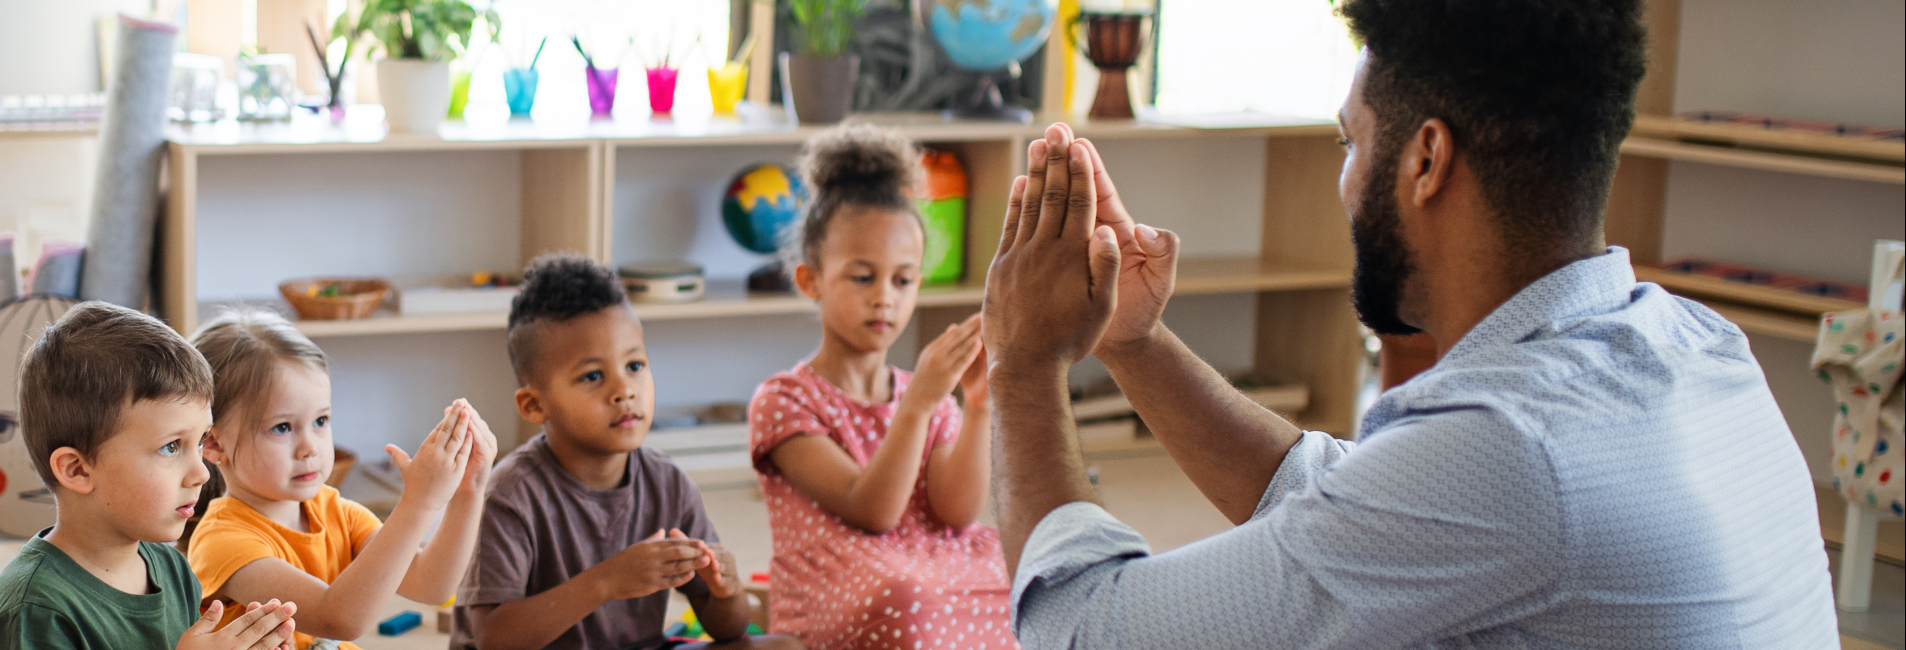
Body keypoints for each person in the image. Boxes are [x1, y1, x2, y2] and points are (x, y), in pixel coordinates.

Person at [982, 0, 1839, 647]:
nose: (1347, 179)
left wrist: (1022, 362)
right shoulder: (1698, 346)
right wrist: (1133, 342)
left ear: (1427, 160)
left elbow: (1081, 628)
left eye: (1351, 143)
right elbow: (1357, 506)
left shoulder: (1518, 454)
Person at [744, 124, 1019, 649]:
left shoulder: (925, 394)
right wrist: (917, 406)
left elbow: (957, 513)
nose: (884, 299)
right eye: (862, 277)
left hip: (925, 561)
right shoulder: (783, 400)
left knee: (1026, 571)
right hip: (840, 584)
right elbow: (872, 510)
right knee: (905, 597)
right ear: (811, 281)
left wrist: (979, 405)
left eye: (902, 279)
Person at [450, 255, 800, 650]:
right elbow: (494, 640)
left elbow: (727, 630)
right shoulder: (511, 495)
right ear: (534, 406)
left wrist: (727, 591)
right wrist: (605, 582)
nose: (625, 391)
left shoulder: (668, 483)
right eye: (593, 376)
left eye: (634, 365)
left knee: (782, 648)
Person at [0, 302, 300, 650]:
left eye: (200, 441)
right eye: (171, 447)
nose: (201, 473)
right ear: (77, 470)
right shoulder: (33, 612)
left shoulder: (173, 570)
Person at [183, 308, 497, 649]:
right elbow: (339, 618)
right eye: (282, 427)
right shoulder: (222, 541)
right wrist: (418, 503)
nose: (309, 448)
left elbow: (431, 584)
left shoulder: (336, 510)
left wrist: (470, 489)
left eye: (320, 421)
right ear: (213, 443)